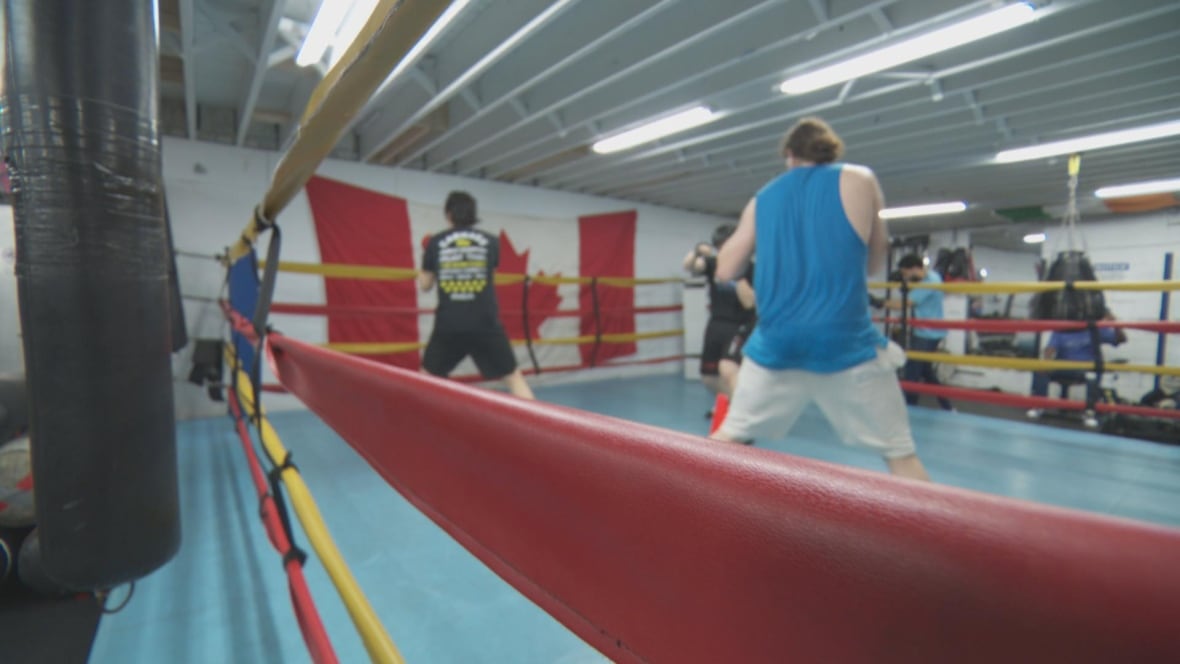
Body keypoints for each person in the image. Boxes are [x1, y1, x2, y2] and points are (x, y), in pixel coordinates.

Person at [711, 117, 931, 482]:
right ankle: (930, 537)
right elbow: (875, 262)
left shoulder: (763, 197)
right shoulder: (860, 179)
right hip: (845, 343)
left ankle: (689, 514)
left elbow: (724, 270)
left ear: (789, 156)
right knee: (900, 454)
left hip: (776, 345)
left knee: (728, 438)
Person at [418, 191, 535, 399]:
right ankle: (538, 429)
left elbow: (425, 285)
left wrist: (427, 262)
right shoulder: (491, 241)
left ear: (448, 214)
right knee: (513, 378)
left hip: (449, 324)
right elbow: (489, 277)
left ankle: (422, 428)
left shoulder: (436, 242)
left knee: (427, 378)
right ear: (473, 214)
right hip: (485, 322)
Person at [682, 226, 756, 399]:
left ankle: (741, 410)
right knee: (709, 377)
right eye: (720, 246)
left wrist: (734, 276)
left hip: (740, 325)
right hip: (716, 323)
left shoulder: (751, 269)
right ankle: (735, 402)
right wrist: (698, 249)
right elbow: (688, 265)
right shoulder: (714, 263)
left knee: (727, 368)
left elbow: (750, 302)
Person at [1026, 310, 1126, 428]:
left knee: (1093, 374)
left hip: (1085, 370)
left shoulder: (1095, 329)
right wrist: (1047, 358)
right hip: (1062, 367)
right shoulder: (1062, 329)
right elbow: (1050, 348)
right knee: (1040, 369)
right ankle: (1039, 405)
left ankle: (1089, 412)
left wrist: (1115, 324)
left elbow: (1121, 340)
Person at [879, 254, 954, 411]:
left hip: (927, 333)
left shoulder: (929, 283)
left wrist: (879, 302)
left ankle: (910, 410)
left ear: (914, 269)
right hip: (929, 331)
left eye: (906, 273)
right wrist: (906, 283)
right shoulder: (933, 276)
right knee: (926, 372)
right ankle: (947, 407)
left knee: (912, 373)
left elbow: (904, 304)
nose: (905, 277)